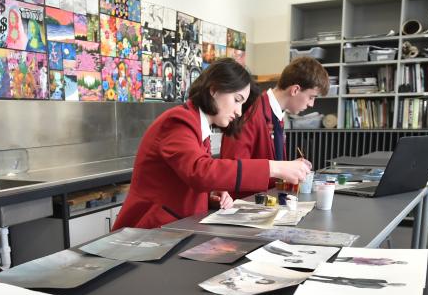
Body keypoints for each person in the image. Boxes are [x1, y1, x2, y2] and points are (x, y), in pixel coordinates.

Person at [112, 58, 311, 230]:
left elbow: (185, 180)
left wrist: (209, 196)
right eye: (236, 100)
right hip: (147, 231)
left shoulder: (200, 128)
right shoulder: (178, 121)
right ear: (214, 90)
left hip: (173, 229)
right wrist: (274, 167)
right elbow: (200, 171)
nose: (239, 112)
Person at [221, 57, 329, 198]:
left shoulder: (276, 115)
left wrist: (289, 167)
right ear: (295, 90)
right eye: (311, 97)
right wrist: (281, 168)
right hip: (245, 204)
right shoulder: (250, 112)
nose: (311, 104)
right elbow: (233, 171)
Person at [307, 275, 406, 290]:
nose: (395, 284)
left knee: (328, 282)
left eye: (397, 286)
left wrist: (350, 283)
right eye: (398, 283)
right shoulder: (383, 281)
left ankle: (311, 279)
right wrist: (351, 280)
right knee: (331, 277)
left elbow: (362, 286)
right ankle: (312, 276)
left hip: (350, 283)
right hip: (351, 279)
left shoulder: (380, 287)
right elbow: (366, 280)